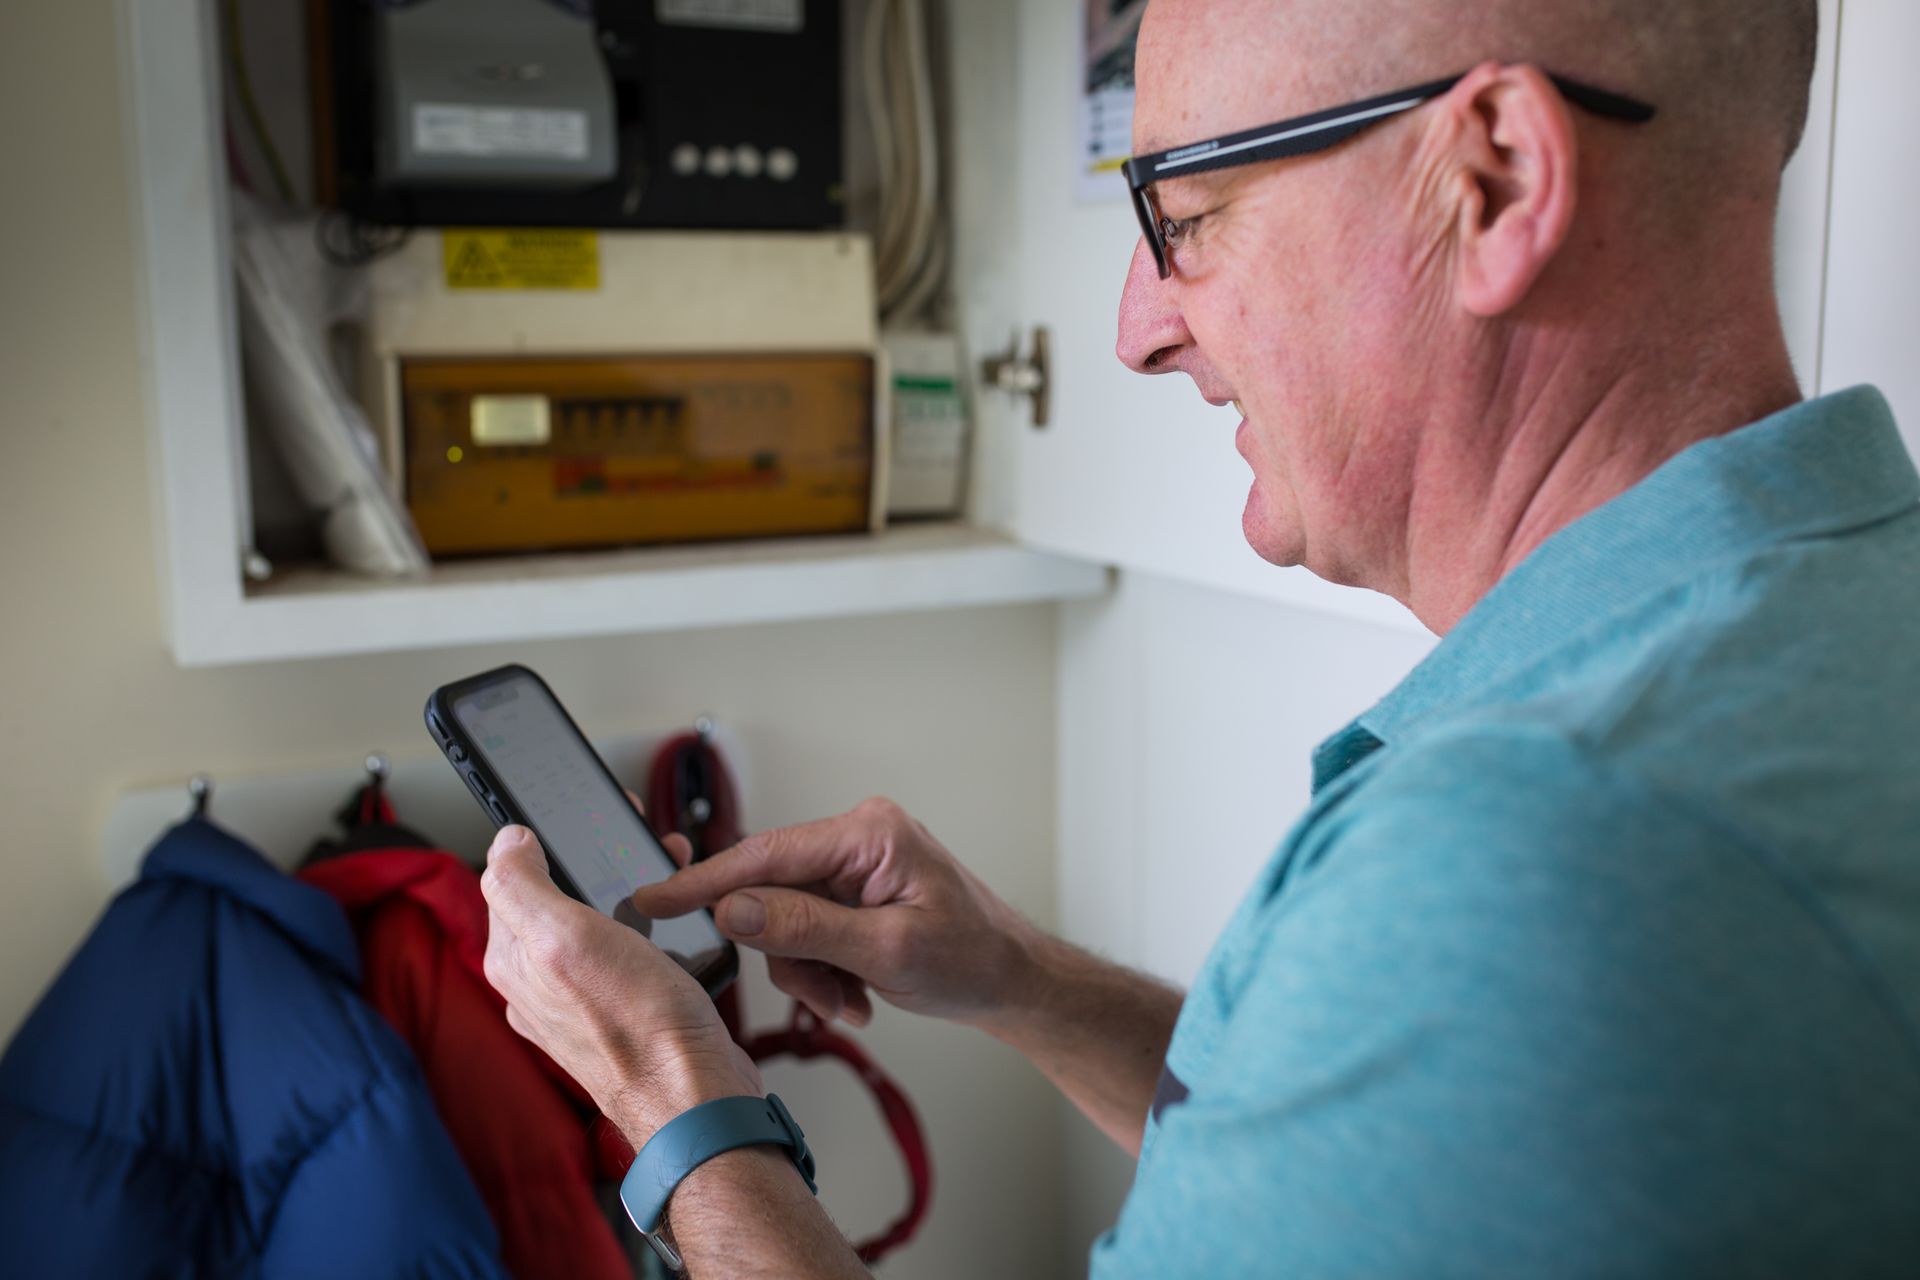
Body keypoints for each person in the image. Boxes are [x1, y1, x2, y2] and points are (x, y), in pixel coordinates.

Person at [478, 0, 1920, 1273]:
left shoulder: (1532, 849)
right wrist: (1025, 986)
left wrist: (671, 1090)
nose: (1137, 328)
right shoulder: (1845, 609)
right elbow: (1402, 1179)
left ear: (1495, 183)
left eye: (1187, 211)